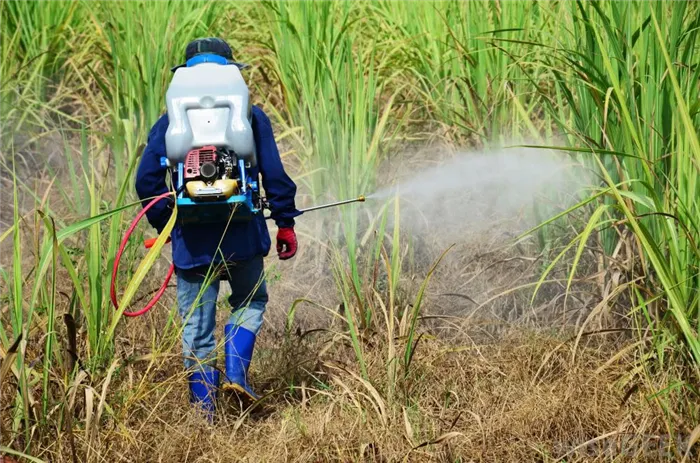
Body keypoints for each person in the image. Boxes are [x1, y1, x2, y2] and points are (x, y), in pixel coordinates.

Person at [135, 38, 300, 417]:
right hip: (243, 237)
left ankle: (205, 415)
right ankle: (238, 377)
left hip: (192, 246)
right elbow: (274, 176)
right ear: (230, 72)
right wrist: (285, 224)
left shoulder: (169, 123)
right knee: (250, 301)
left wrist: (171, 224)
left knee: (196, 327)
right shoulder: (250, 117)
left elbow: (146, 182)